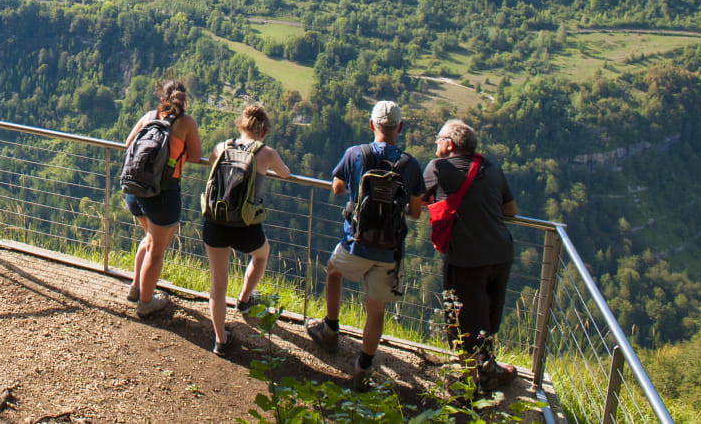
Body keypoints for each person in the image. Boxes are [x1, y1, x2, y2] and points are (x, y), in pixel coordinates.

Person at [306, 100, 425, 390]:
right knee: (376, 309)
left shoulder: (355, 154)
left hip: (355, 242)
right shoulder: (410, 165)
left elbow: (336, 187)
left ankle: (330, 329)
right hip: (389, 249)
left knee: (334, 271)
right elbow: (416, 211)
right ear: (400, 127)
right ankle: (364, 366)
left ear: (372, 125)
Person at [426, 118, 520, 392]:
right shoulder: (491, 167)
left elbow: (417, 199)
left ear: (450, 144)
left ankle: (467, 386)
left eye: (438, 139)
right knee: (489, 313)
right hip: (500, 253)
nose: (436, 144)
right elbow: (511, 209)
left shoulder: (438, 167)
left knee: (461, 318)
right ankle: (489, 367)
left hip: (466, 258)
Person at [203, 102, 291, 356]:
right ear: (264, 131)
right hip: (245, 224)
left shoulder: (222, 147)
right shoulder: (266, 153)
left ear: (241, 125)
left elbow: (210, 162)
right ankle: (244, 299)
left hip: (216, 220)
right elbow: (285, 174)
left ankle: (221, 340)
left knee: (218, 286)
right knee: (261, 254)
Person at [124, 79, 202, 318]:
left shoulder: (149, 117)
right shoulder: (186, 122)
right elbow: (197, 156)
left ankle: (136, 288)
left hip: (134, 189)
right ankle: (146, 303)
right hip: (162, 193)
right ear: (184, 99)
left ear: (162, 99)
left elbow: (128, 144)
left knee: (149, 238)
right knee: (157, 251)